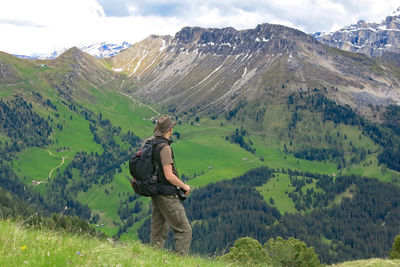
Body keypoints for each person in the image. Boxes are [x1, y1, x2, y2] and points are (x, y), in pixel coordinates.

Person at [150, 115, 192, 255]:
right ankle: (179, 262)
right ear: (170, 129)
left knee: (158, 231)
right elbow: (168, 175)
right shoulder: (165, 148)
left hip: (156, 193)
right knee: (184, 230)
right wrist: (184, 186)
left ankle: (152, 260)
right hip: (167, 195)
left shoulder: (152, 143)